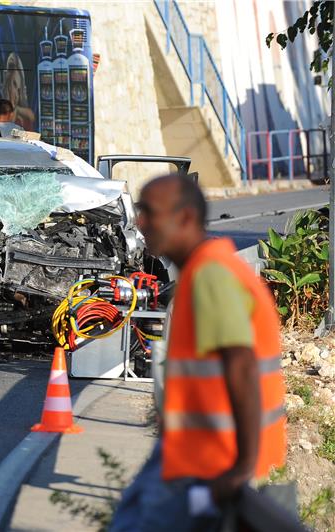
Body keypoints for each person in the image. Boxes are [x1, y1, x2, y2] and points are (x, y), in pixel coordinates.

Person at [110, 174, 286, 531]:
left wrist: (240, 469)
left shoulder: (211, 275)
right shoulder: (201, 272)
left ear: (186, 218)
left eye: (149, 212)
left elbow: (241, 365)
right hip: (191, 456)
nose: (140, 223)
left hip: (209, 463)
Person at [2, 52, 35, 131]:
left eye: (19, 90)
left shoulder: (24, 120)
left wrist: (17, 110)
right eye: (14, 85)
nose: (17, 95)